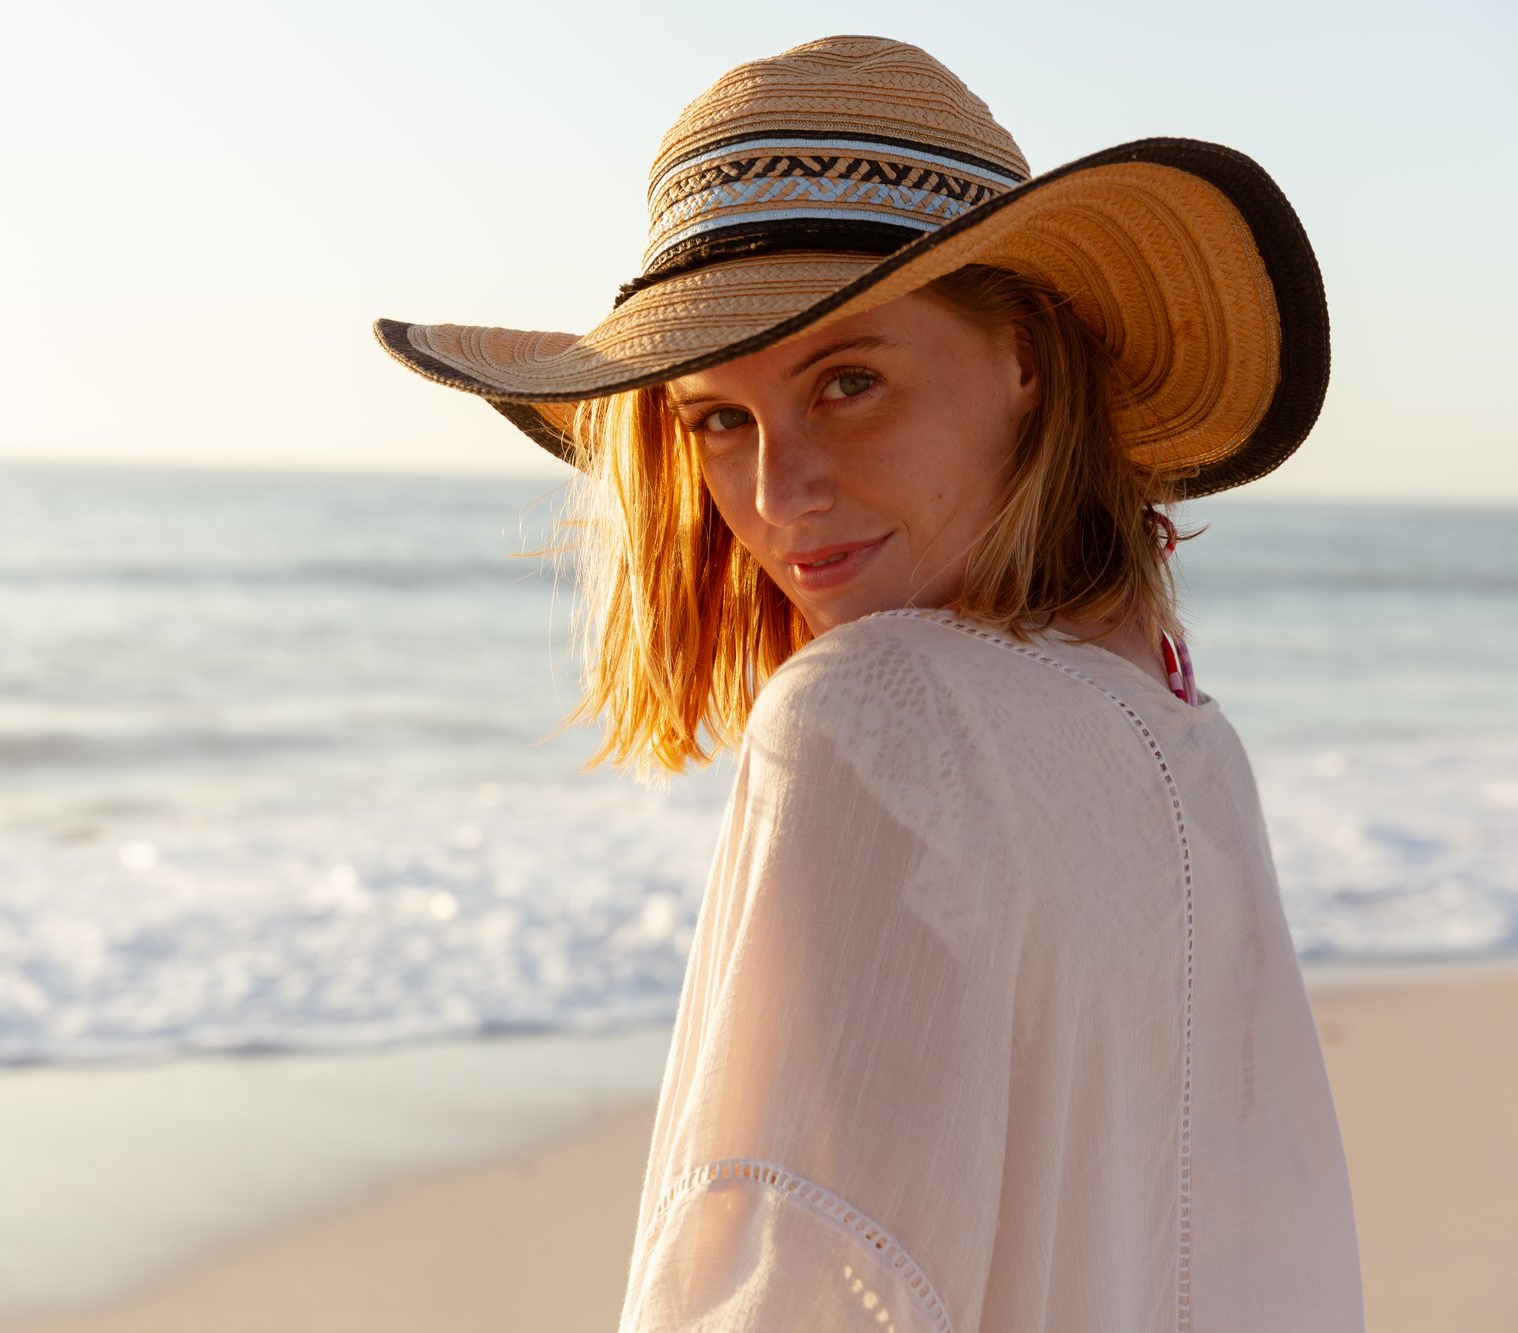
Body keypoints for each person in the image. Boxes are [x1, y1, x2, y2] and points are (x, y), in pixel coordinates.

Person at [376, 34, 1364, 1333]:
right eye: (717, 417)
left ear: (1023, 356)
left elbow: (805, 1286)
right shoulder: (1187, 747)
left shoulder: (875, 715)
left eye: (849, 380)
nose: (779, 492)